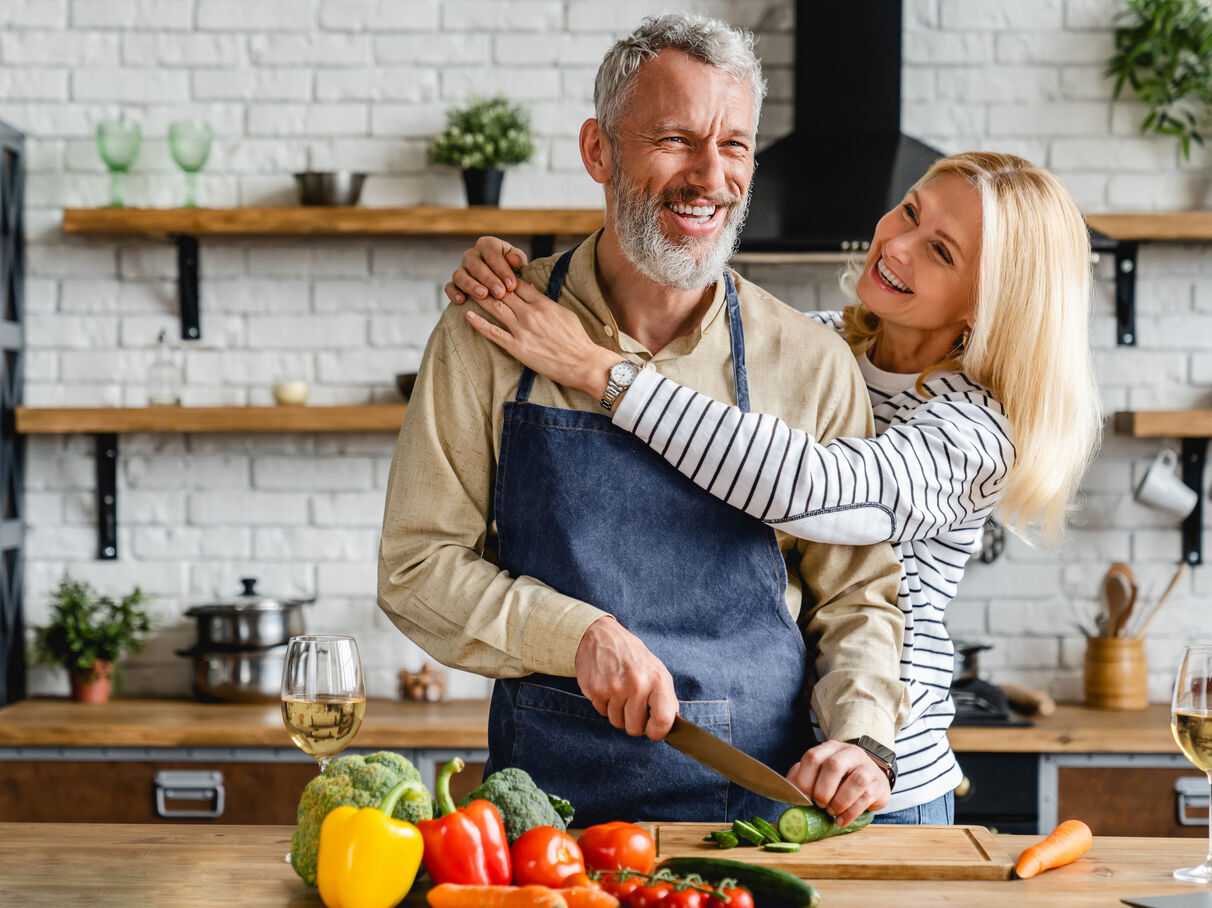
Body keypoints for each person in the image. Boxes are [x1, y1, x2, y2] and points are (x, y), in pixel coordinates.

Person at [447, 151, 1103, 823]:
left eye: (940, 251)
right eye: (910, 210)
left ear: (990, 304)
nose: (897, 245)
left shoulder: (973, 431)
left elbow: (812, 490)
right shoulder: (818, 347)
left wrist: (596, 370)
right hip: (780, 757)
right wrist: (529, 283)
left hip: (878, 775)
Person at [379, 12, 910, 829]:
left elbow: (859, 596)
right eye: (674, 138)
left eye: (734, 144)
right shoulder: (491, 329)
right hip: (547, 820)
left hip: (763, 814)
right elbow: (416, 568)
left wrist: (863, 737)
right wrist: (576, 634)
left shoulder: (807, 361)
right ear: (599, 150)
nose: (710, 175)